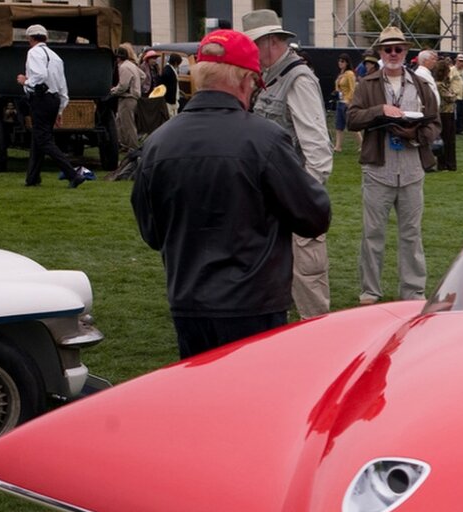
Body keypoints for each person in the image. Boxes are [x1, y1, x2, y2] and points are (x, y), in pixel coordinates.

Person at [130, 29, 331, 360]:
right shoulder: (265, 139)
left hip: (188, 301)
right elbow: (314, 215)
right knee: (254, 399)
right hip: (253, 304)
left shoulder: (158, 143)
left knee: (201, 399)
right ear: (245, 80)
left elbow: (152, 231)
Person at [245, 9, 334, 321]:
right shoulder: (268, 78)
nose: (250, 54)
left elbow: (319, 152)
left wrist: (301, 199)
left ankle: (318, 343)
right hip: (271, 202)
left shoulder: (299, 80)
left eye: (253, 45)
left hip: (294, 199)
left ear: (270, 42)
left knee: (308, 283)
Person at [347, 26, 441, 304]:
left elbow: (435, 123)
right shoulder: (368, 83)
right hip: (378, 171)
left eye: (398, 48)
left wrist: (415, 134)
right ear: (379, 52)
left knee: (411, 234)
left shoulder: (422, 85)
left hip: (412, 171)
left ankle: (413, 293)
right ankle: (370, 292)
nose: (393, 53)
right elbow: (352, 118)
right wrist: (380, 111)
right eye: (387, 49)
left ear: (406, 51)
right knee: (372, 234)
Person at [16, 24, 84, 188]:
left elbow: (39, 75)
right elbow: (62, 86)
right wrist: (60, 109)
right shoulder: (55, 57)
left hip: (41, 99)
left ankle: (72, 174)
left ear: (30, 38)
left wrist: (26, 82)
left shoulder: (33, 53)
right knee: (38, 139)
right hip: (53, 100)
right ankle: (32, 178)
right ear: (45, 38)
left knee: (43, 140)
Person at [111, 46, 142, 152]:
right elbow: (143, 76)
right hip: (132, 97)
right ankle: (124, 144)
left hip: (127, 98)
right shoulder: (131, 65)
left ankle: (133, 147)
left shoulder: (124, 67)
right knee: (120, 122)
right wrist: (136, 86)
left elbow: (123, 85)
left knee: (128, 124)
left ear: (119, 57)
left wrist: (113, 91)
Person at [434, 56, 458, 170]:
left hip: (449, 112)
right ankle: (444, 163)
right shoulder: (439, 84)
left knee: (450, 140)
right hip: (444, 113)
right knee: (446, 139)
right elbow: (450, 97)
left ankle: (450, 163)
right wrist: (454, 95)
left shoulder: (445, 83)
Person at [334, 54, 360, 151]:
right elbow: (338, 87)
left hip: (346, 102)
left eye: (342, 61)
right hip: (340, 101)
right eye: (339, 61)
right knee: (339, 126)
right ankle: (338, 146)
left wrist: (349, 101)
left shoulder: (350, 74)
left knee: (351, 125)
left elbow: (353, 88)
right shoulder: (341, 73)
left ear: (347, 63)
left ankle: (362, 144)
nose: (340, 63)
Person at [161, 53, 181, 118]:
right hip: (170, 100)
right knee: (171, 117)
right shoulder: (168, 71)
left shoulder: (168, 69)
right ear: (175, 63)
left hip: (171, 99)